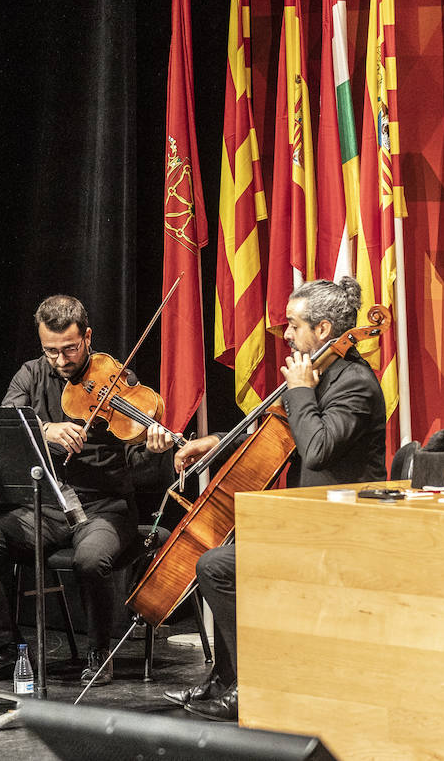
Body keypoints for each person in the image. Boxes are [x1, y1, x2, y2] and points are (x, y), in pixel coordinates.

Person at [160, 278, 385, 722]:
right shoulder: (322, 372)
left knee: (217, 566)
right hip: (307, 525)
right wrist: (214, 441)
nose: (284, 333)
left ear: (323, 329)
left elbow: (317, 446)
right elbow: (278, 431)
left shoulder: (353, 382)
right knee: (218, 558)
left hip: (343, 533)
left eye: (293, 324)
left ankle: (252, 685)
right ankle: (225, 680)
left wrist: (301, 390)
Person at [0, 295, 173, 686]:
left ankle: (98, 651)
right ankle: (8, 650)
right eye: (50, 351)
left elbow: (143, 469)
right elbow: (7, 423)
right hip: (49, 504)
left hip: (106, 509)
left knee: (89, 560)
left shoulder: (119, 383)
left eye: (69, 349)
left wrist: (156, 445)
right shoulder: (31, 375)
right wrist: (46, 429)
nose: (60, 360)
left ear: (87, 337)